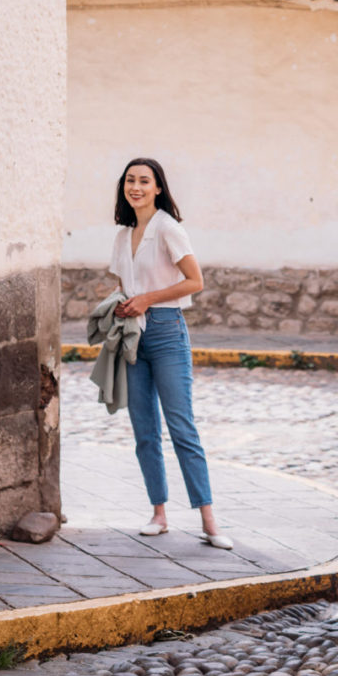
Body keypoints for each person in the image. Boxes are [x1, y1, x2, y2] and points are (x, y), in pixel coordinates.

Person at [109, 157, 232, 548]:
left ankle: (209, 521)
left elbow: (195, 281)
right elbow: (124, 285)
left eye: (145, 181)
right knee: (145, 431)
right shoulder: (123, 233)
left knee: (182, 427)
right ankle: (159, 514)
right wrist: (121, 304)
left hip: (167, 332)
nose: (137, 187)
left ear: (158, 187)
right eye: (131, 180)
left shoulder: (168, 228)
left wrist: (146, 299)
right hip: (133, 337)